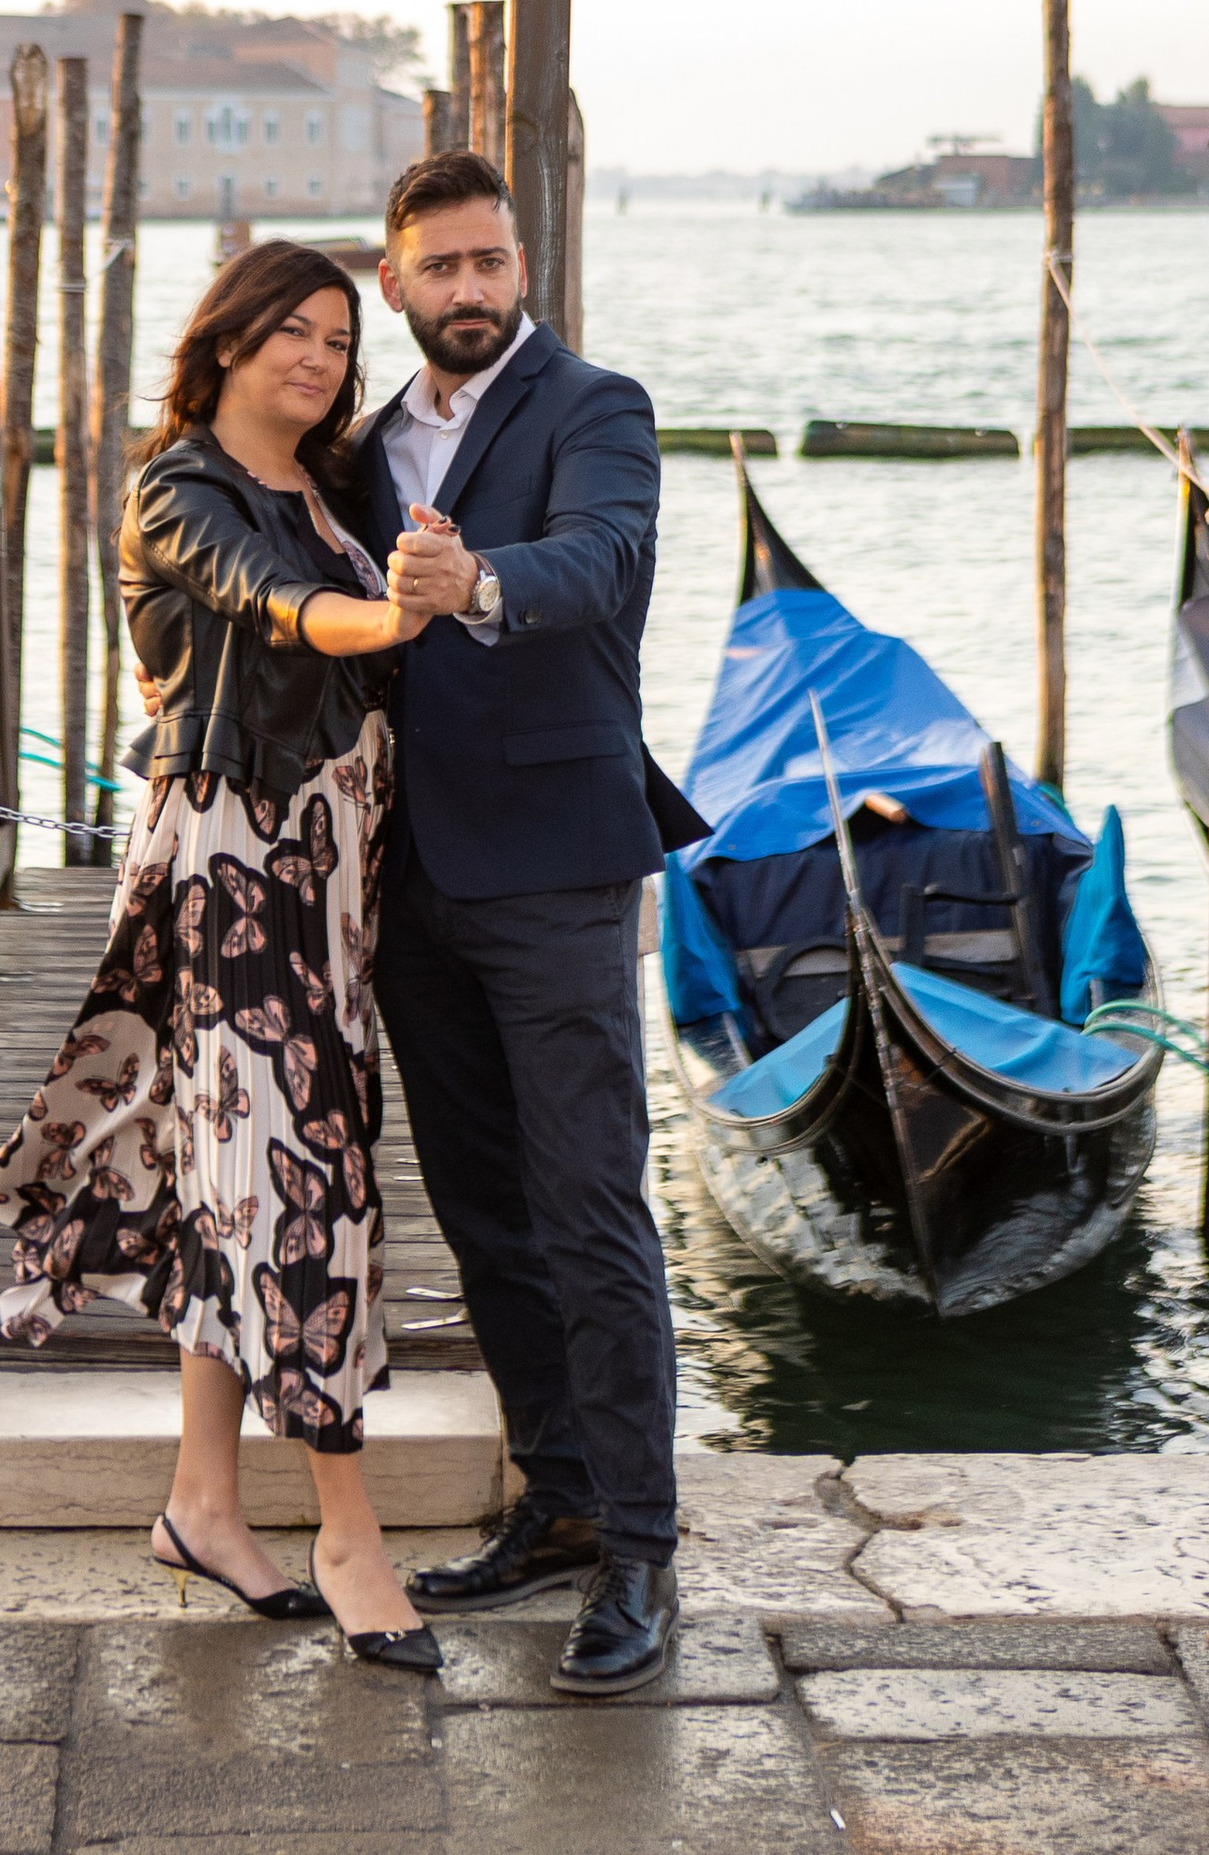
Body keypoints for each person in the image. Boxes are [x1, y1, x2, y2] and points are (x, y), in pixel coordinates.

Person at [0, 240, 440, 1672]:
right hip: (235, 877)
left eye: (342, 341)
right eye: (290, 330)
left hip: (334, 885)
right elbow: (274, 608)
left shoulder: (340, 485)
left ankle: (202, 1507)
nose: (318, 358)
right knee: (309, 1191)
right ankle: (348, 1535)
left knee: (231, 1182)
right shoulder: (180, 492)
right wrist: (393, 611)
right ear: (224, 341)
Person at [356, 145, 700, 1698]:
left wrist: (479, 576)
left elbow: (604, 557)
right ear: (396, 284)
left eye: (493, 263)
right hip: (411, 883)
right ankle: (556, 1500)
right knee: (484, 1211)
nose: (475, 290)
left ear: (521, 268)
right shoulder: (363, 447)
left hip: (558, 872)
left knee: (591, 1207)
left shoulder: (595, 408)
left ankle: (639, 1543)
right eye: (445, 269)